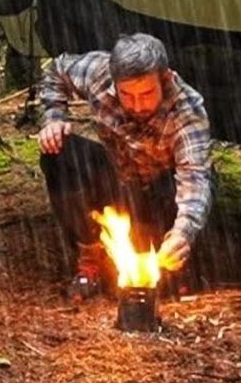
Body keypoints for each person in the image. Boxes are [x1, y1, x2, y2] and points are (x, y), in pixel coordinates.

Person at [38, 32, 213, 292]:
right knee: (59, 151)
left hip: (159, 190)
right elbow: (56, 70)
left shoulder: (188, 111)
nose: (137, 105)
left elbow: (195, 181)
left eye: (147, 93)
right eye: (127, 95)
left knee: (171, 240)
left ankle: (175, 262)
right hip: (117, 182)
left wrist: (183, 232)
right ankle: (90, 258)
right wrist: (53, 117)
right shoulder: (98, 72)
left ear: (164, 79)